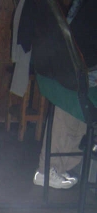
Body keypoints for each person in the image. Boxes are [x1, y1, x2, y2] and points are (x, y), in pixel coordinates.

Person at [32, 0, 97, 190]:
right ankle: (49, 169)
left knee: (76, 108)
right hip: (76, 74)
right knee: (79, 102)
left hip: (58, 71)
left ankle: (53, 168)